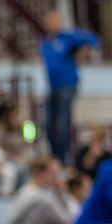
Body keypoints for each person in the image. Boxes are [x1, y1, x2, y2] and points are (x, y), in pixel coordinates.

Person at [41, 10, 99, 165]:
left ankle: (63, 158)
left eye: (54, 22)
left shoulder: (67, 37)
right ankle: (54, 155)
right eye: (49, 22)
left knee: (62, 123)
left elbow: (93, 39)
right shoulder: (45, 41)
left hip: (67, 85)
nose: (51, 25)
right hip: (53, 87)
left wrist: (82, 54)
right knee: (47, 123)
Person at [8, 155, 74, 224]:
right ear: (40, 173)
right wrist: (63, 194)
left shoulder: (25, 190)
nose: (58, 177)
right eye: (54, 172)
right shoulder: (43, 199)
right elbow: (67, 222)